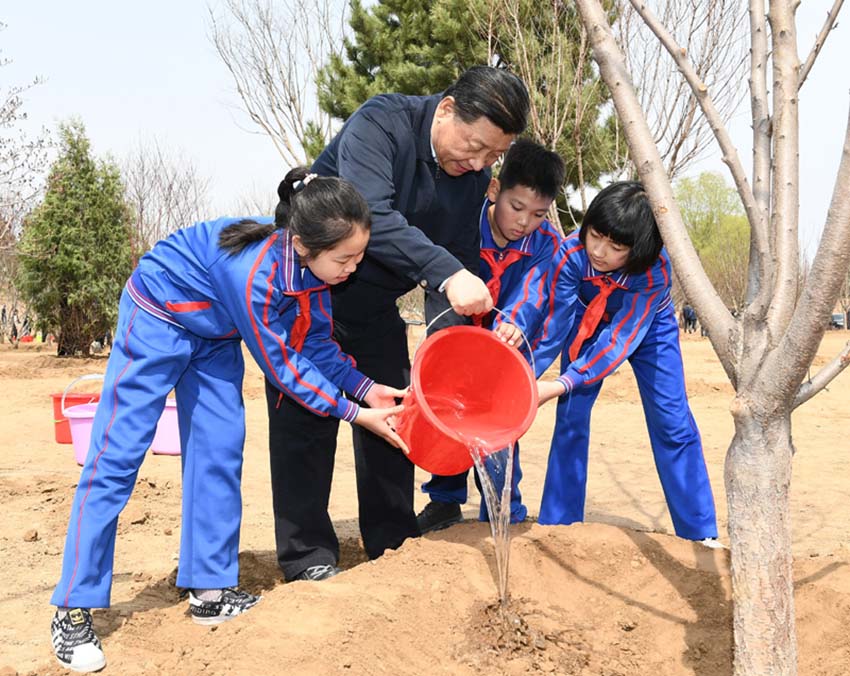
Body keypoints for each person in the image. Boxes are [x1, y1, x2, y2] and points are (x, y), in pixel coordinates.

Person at [49, 168, 408, 673]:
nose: (353, 268)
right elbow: (284, 369)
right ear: (303, 244)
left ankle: (210, 591)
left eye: (358, 256)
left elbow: (318, 345)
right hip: (158, 314)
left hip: (214, 336)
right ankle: (72, 608)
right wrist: (356, 414)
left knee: (219, 452)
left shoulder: (317, 271)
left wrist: (369, 388)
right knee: (117, 454)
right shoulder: (255, 273)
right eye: (345, 258)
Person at [265, 65, 530, 582]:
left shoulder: (471, 178)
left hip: (372, 309)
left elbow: (458, 250)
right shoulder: (382, 123)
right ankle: (308, 556)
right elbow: (375, 217)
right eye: (474, 145)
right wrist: (449, 275)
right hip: (305, 301)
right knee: (306, 421)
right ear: (449, 109)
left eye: (492, 156)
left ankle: (391, 542)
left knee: (395, 415)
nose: (478, 162)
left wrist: (467, 328)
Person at [533, 181, 718, 544]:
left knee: (672, 422)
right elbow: (554, 324)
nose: (599, 252)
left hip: (648, 329)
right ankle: (560, 524)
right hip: (586, 321)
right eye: (595, 236)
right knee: (571, 416)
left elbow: (619, 341)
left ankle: (699, 533)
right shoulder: (570, 254)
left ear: (639, 250)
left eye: (616, 247)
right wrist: (528, 375)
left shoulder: (654, 272)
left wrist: (564, 382)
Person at [416, 139, 565, 532]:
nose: (523, 223)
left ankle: (502, 508)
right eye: (516, 208)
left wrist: (516, 319)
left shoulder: (546, 244)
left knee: (499, 419)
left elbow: (535, 289)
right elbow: (439, 275)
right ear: (495, 190)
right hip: (454, 334)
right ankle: (444, 499)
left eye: (537, 214)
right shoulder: (462, 222)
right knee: (448, 408)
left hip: (504, 345)